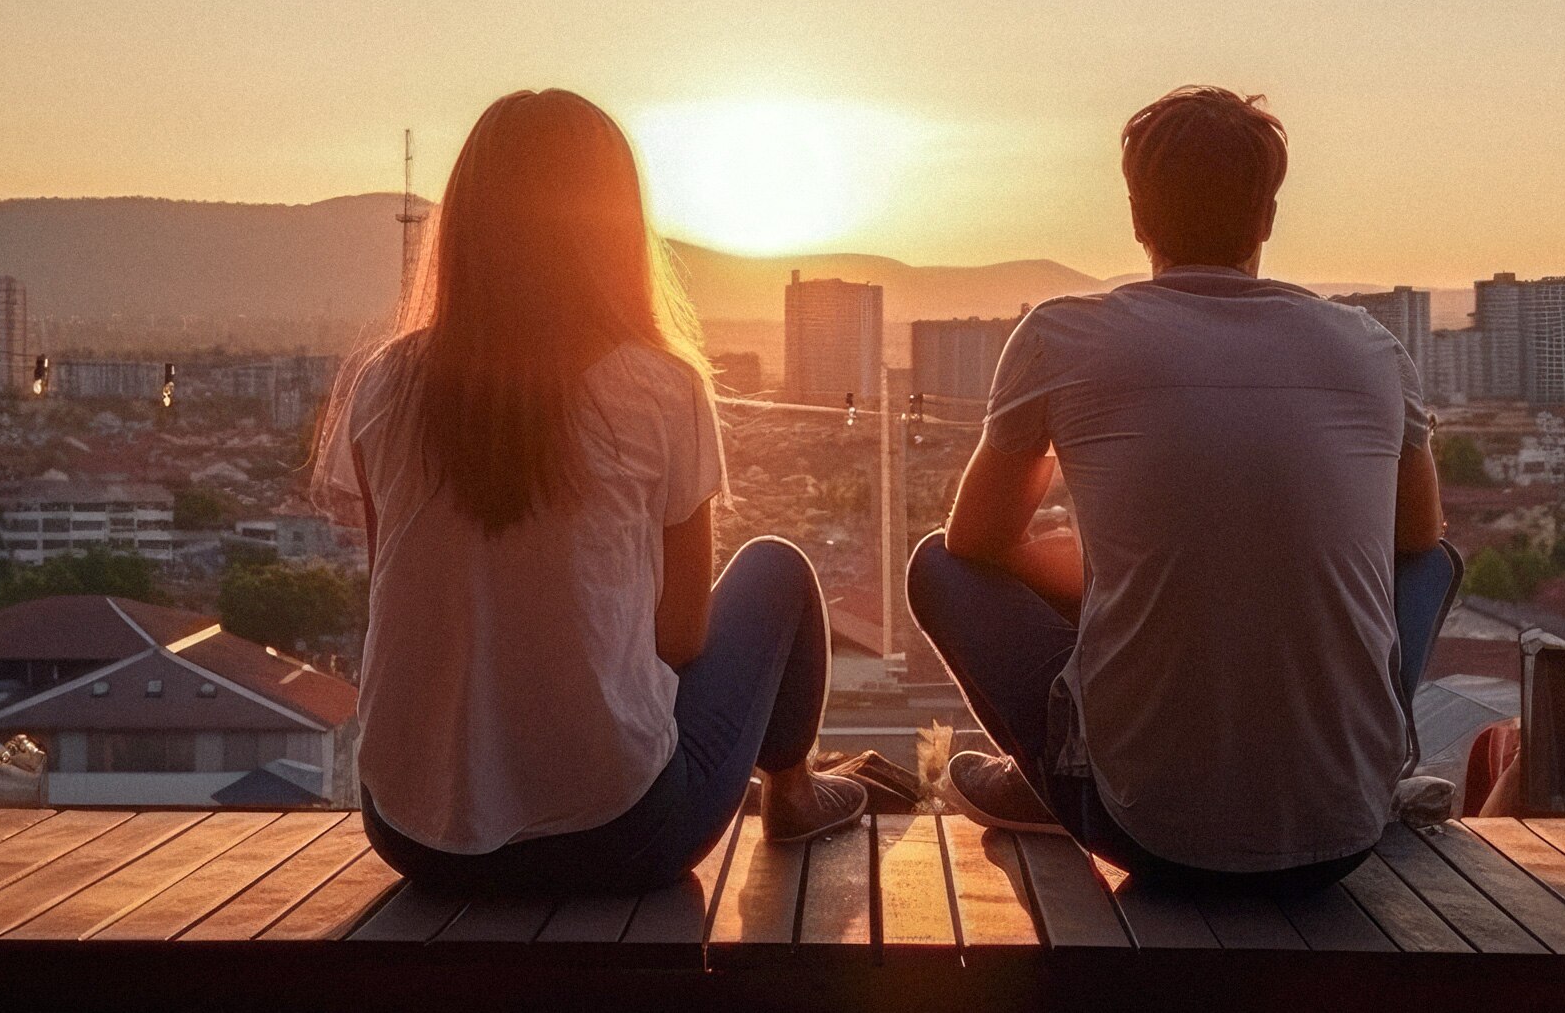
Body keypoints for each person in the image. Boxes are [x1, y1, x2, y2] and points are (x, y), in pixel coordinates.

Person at [315, 89, 865, 895]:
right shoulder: (659, 387)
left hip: (411, 832)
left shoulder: (384, 385)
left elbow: (398, 592)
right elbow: (679, 634)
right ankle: (794, 791)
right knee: (777, 570)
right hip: (617, 836)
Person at [908, 85, 1446, 891]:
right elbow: (1418, 542)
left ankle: (1049, 777)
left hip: (1144, 832)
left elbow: (974, 544)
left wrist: (1099, 586)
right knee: (1437, 566)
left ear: (1136, 215)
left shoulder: (1063, 335)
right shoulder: (1370, 348)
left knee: (934, 567)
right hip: (1345, 833)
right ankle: (1369, 763)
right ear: (1267, 216)